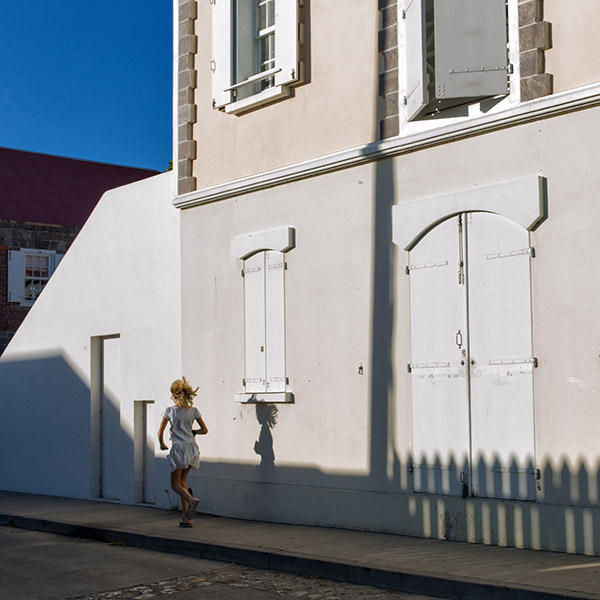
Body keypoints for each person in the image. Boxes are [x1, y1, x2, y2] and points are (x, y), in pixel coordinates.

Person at [158, 377, 208, 527]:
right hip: (192, 447)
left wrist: (162, 444)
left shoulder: (170, 411)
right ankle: (186, 518)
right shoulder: (193, 411)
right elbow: (205, 430)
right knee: (183, 482)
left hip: (178, 448)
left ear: (175, 395)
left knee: (174, 484)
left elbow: (160, 432)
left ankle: (191, 499)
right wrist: (193, 432)